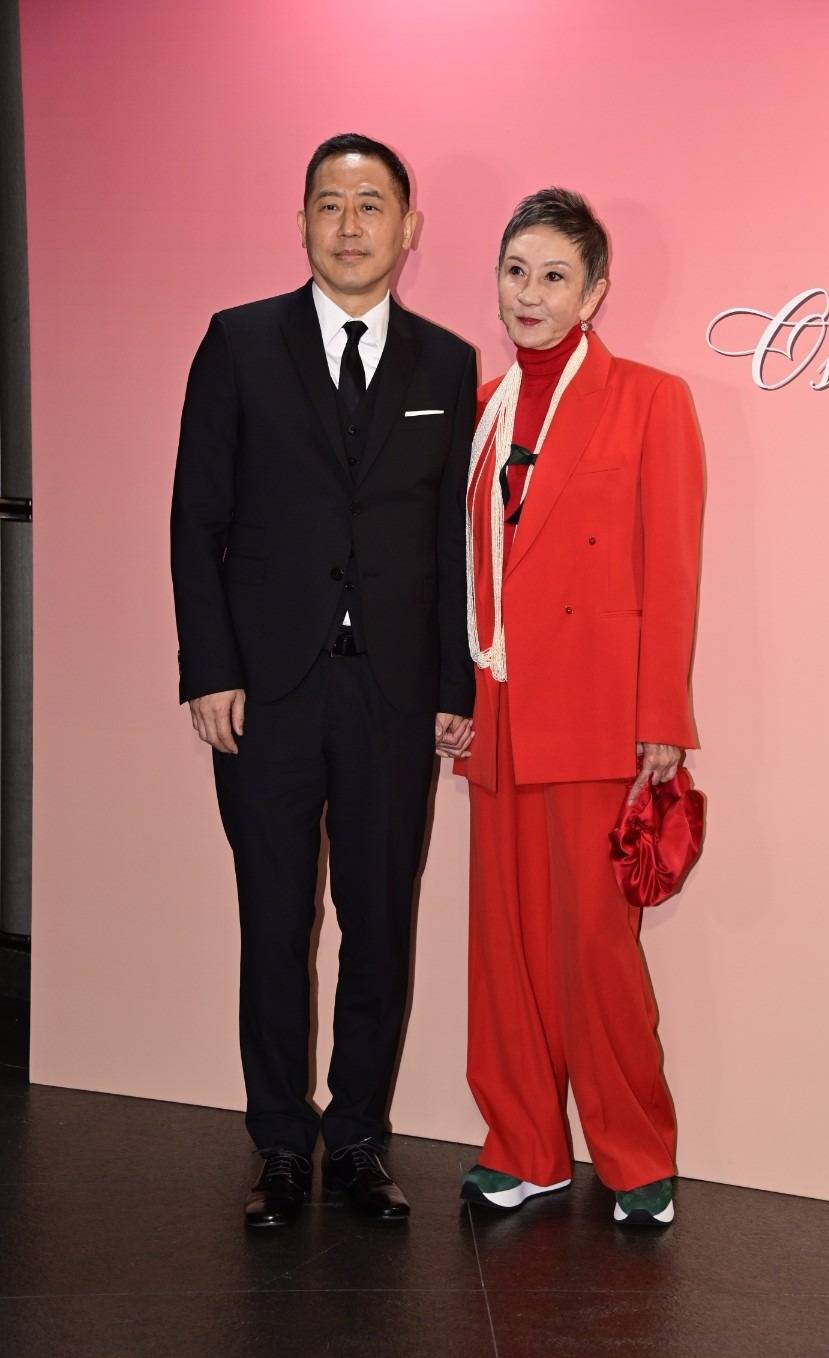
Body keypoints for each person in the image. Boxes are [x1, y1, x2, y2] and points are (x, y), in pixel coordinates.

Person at [171, 133, 476, 1228]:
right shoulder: (238, 341)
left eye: (371, 204)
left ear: (408, 227)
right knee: (272, 919)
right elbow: (195, 517)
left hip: (392, 693)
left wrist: (454, 684)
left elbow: (448, 542)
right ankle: (276, 1143)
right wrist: (209, 667)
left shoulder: (446, 362)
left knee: (379, 921)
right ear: (300, 221)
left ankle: (354, 1139)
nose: (350, 225)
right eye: (329, 204)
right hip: (268, 692)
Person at [456, 188, 703, 1228]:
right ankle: (523, 1145)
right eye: (515, 270)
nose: (530, 293)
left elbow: (671, 566)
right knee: (503, 950)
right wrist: (450, 696)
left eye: (554, 275)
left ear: (594, 292)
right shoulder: (478, 405)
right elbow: (458, 568)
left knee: (597, 949)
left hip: (599, 718)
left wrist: (661, 716)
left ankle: (635, 1153)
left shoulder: (651, 399)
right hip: (496, 710)